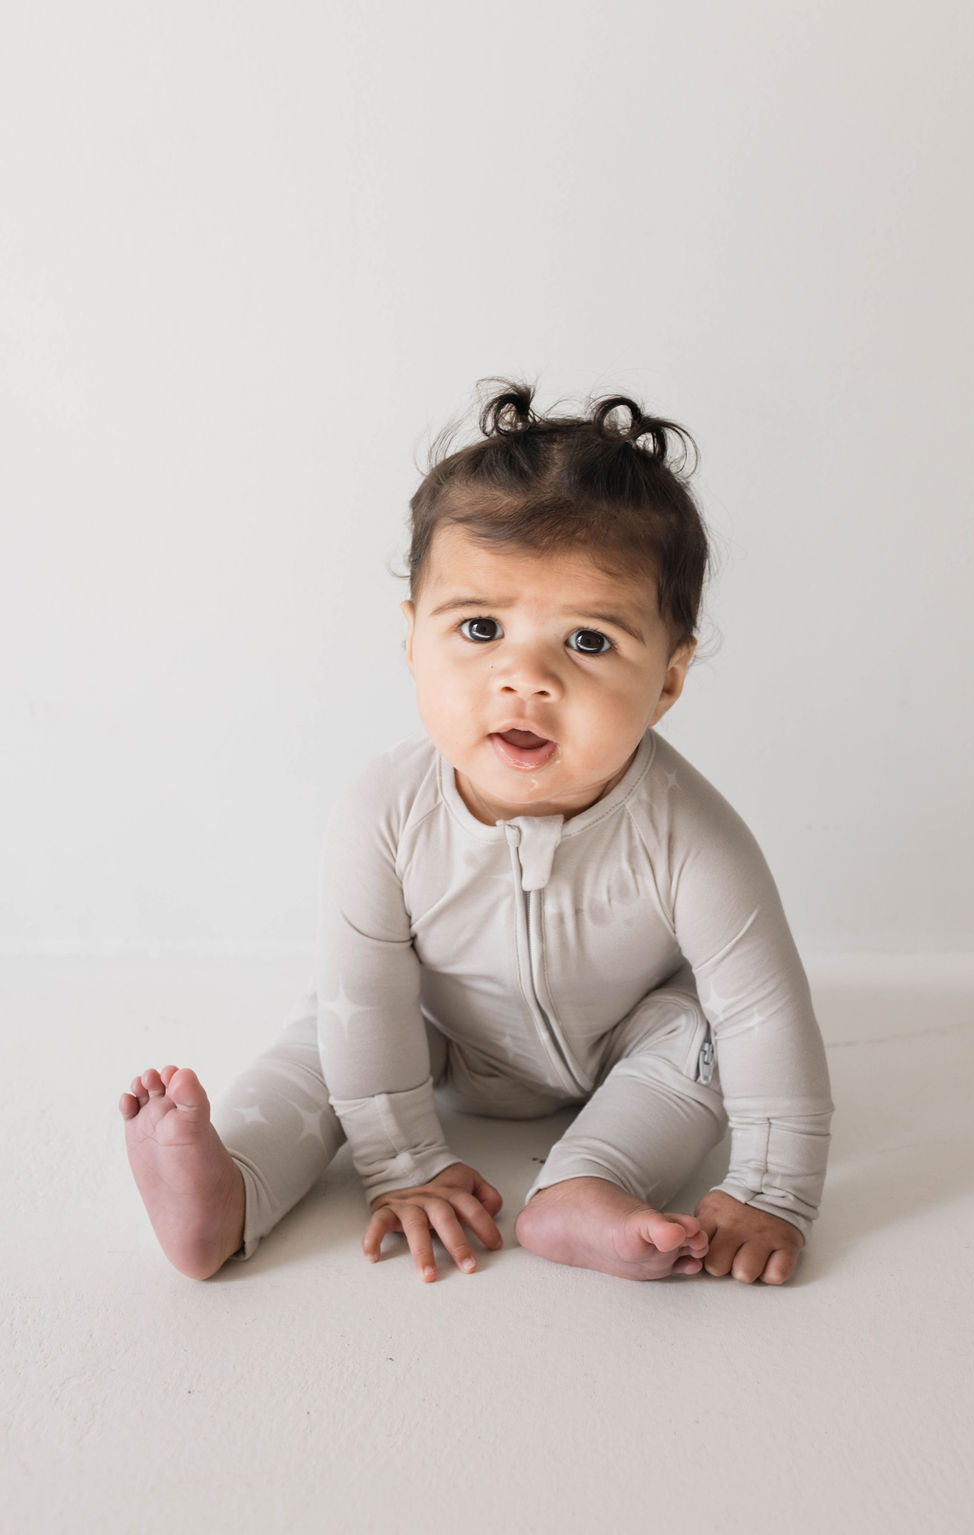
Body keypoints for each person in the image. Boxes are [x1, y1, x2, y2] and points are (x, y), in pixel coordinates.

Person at [119, 380, 834, 1286]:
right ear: (414, 639)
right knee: (329, 1032)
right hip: (435, 1027)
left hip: (620, 1036)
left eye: (587, 641)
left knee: (699, 1040)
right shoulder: (384, 810)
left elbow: (765, 1011)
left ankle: (587, 1183)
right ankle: (232, 1184)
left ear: (668, 681)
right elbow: (370, 995)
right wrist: (404, 1164)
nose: (524, 678)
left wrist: (774, 1190)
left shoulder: (692, 836)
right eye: (482, 627)